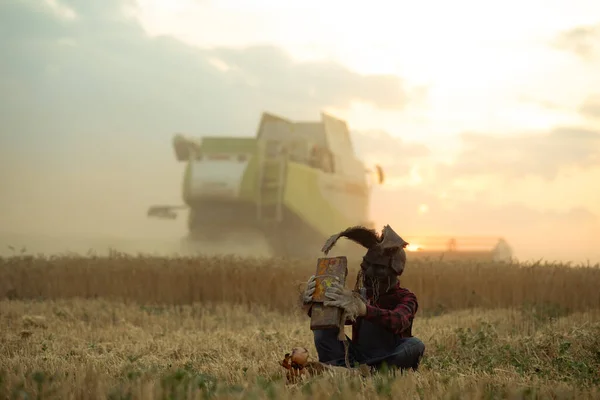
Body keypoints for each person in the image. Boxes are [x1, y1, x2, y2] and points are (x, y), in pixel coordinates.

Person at [302, 225, 425, 372]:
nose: (370, 272)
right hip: (357, 358)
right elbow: (337, 318)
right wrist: (313, 303)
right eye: (367, 265)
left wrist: (365, 310)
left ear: (395, 271)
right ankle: (346, 369)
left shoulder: (406, 297)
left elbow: (399, 320)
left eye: (379, 267)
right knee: (324, 328)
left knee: (415, 345)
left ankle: (354, 371)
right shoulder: (360, 294)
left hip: (389, 357)